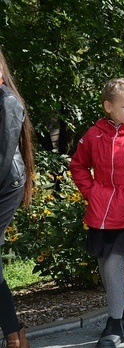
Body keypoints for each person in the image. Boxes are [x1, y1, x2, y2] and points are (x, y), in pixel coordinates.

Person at [70, 78, 124, 348]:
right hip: (100, 210)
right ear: (108, 107)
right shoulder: (95, 134)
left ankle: (115, 325)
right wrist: (91, 191)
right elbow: (78, 165)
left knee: (112, 264)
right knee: (103, 266)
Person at [0, 49, 34, 348]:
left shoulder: (7, 101)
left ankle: (14, 333)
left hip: (5, 183)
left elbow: (3, 155)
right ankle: (14, 333)